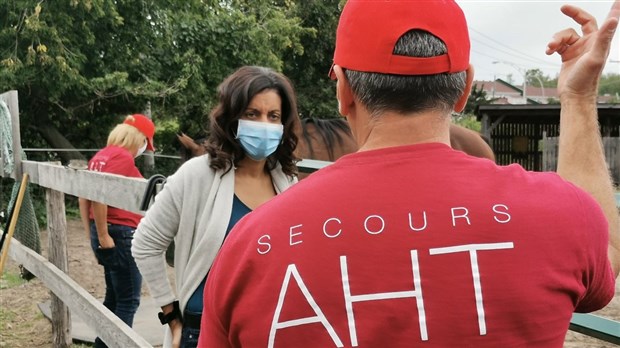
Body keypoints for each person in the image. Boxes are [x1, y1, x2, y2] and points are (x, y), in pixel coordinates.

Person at [197, 1, 620, 347]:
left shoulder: (249, 245)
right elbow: (608, 252)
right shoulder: (558, 213)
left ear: (343, 88)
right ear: (465, 88)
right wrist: (579, 98)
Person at [131, 65, 300, 348]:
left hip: (269, 330)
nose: (264, 125)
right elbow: (145, 244)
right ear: (232, 118)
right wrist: (170, 316)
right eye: (252, 114)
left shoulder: (287, 181)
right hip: (204, 333)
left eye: (274, 116)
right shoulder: (197, 175)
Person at [78, 113, 156, 348]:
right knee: (128, 300)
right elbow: (100, 194)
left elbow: (85, 196)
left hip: (106, 232)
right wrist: (103, 236)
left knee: (113, 297)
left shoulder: (100, 156)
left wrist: (92, 231)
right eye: (145, 141)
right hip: (120, 234)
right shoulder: (122, 158)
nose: (145, 147)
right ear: (139, 137)